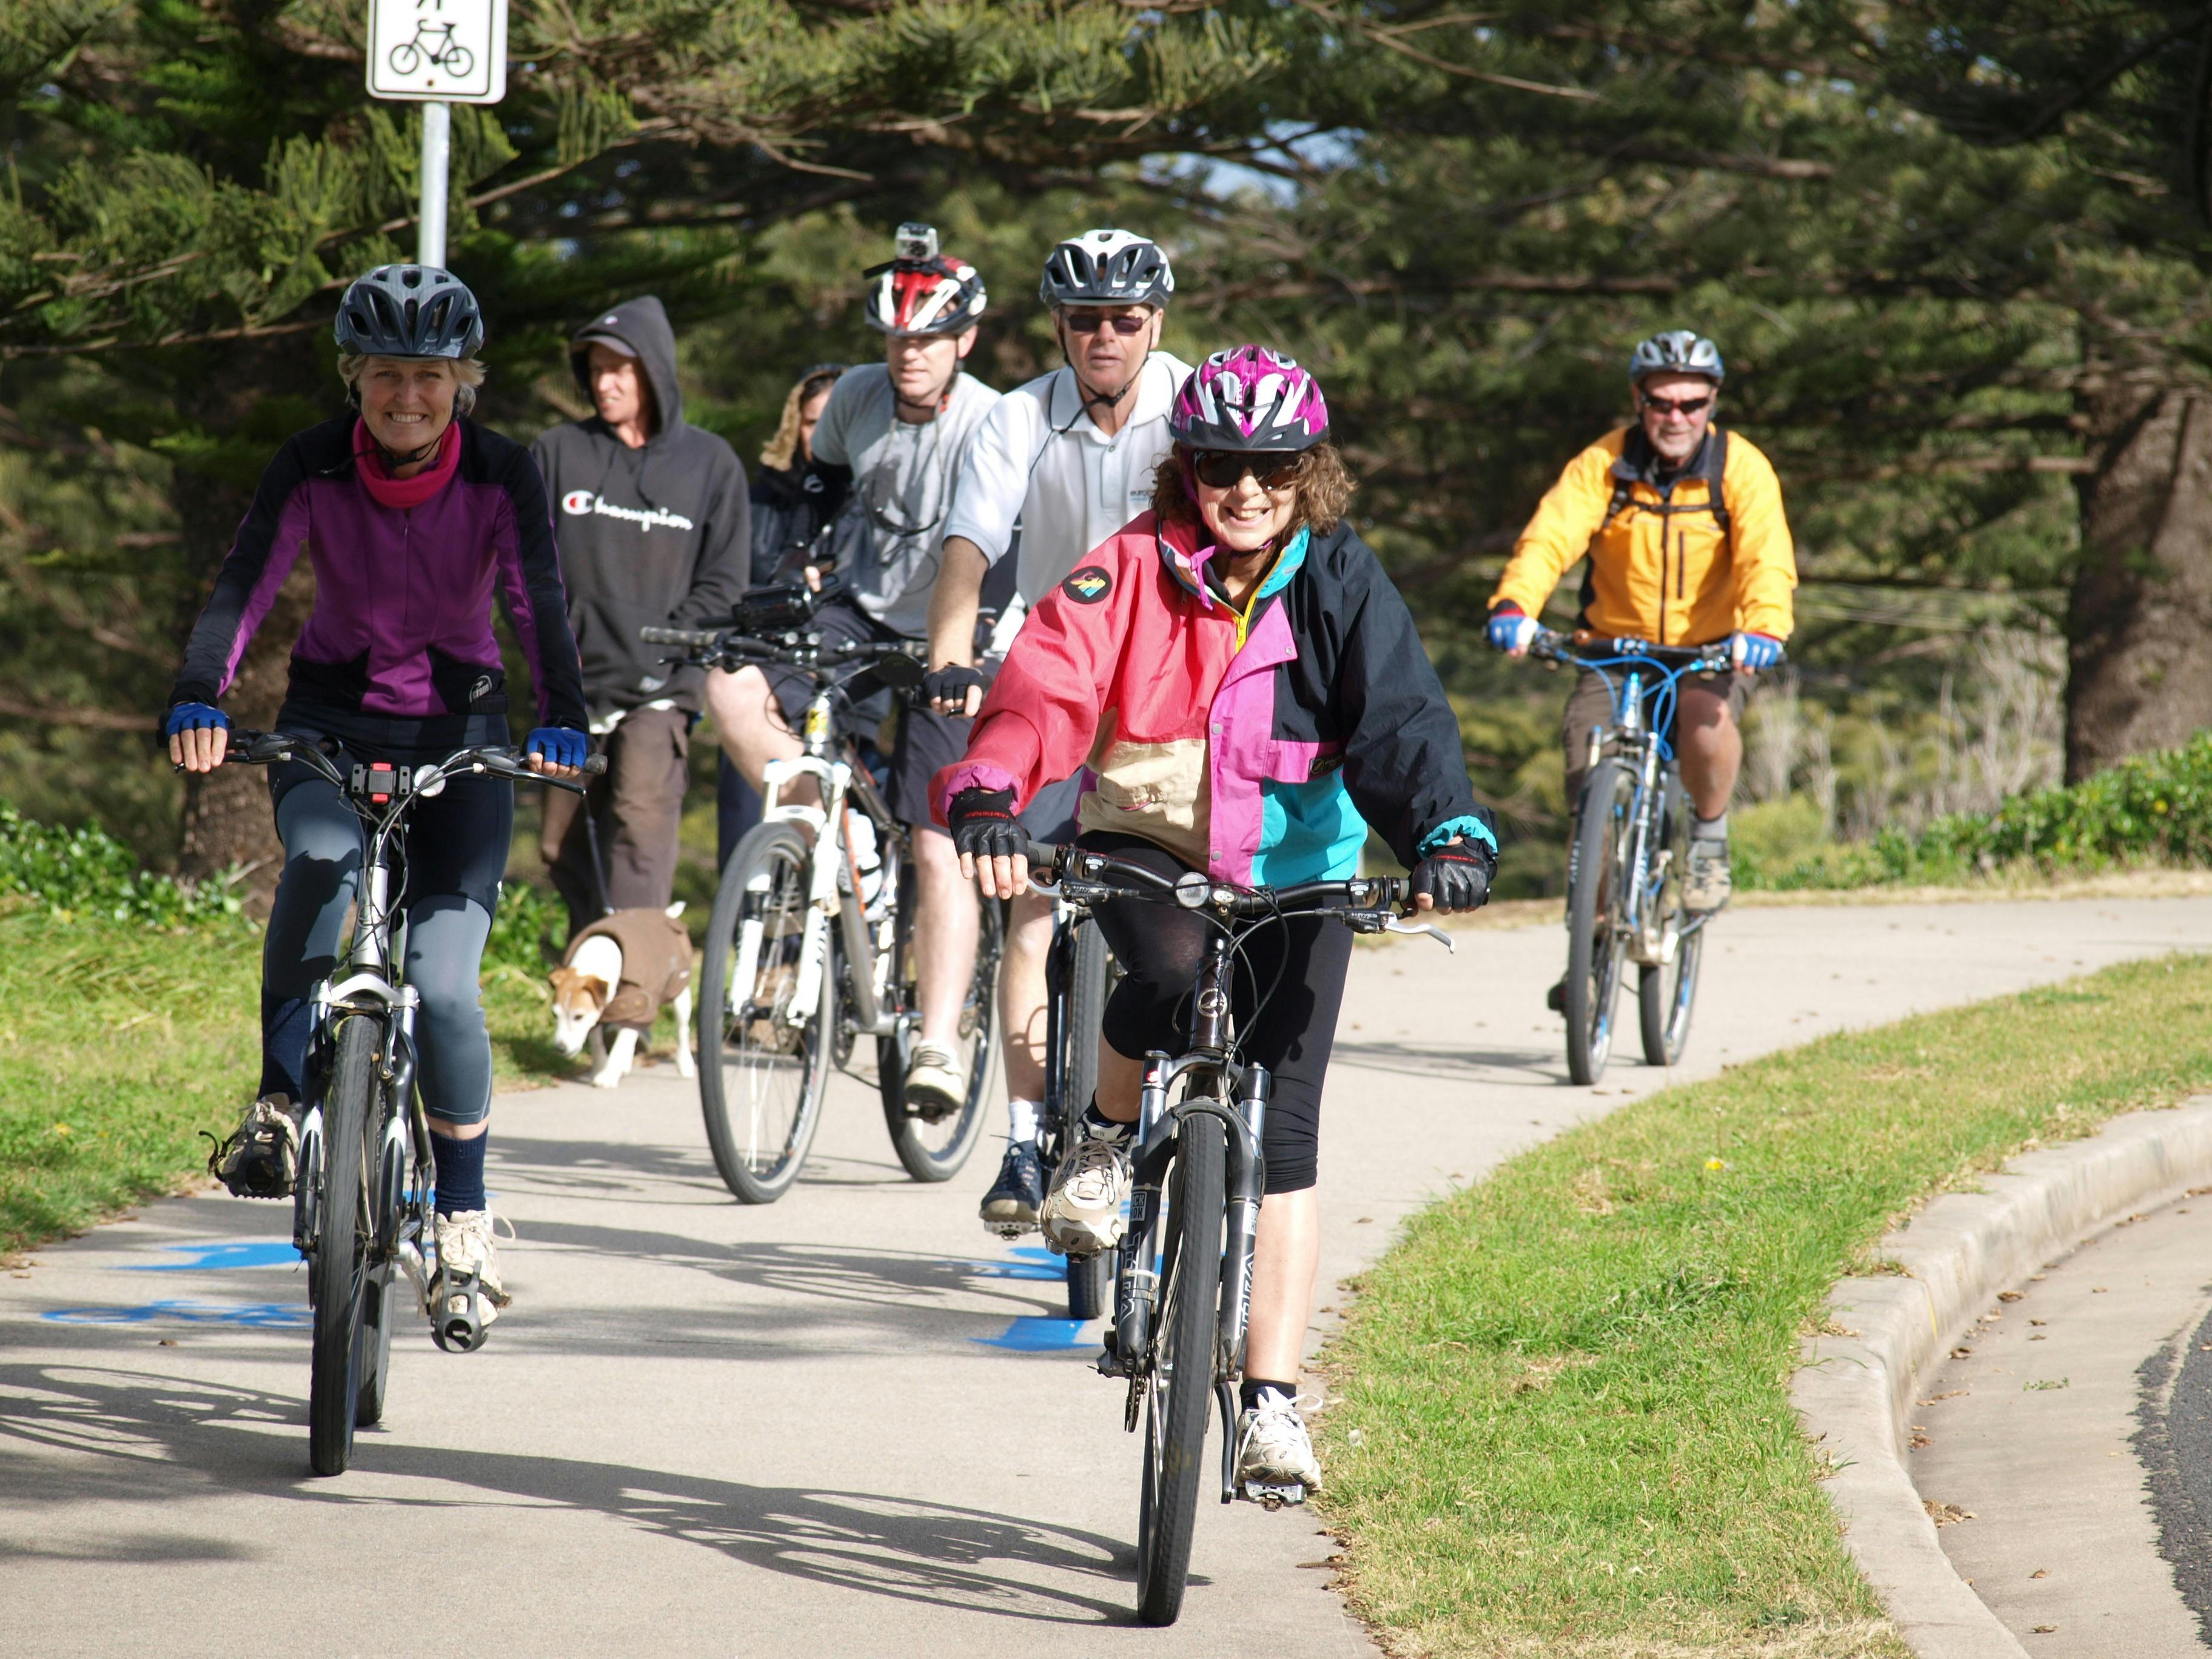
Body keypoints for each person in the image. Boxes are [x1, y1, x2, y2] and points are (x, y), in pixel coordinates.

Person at [936, 346, 1495, 1495]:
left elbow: (1399, 720)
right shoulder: (1129, 567)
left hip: (1298, 874)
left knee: (1285, 1141)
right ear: (1186, 469)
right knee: (1162, 974)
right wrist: (991, 788)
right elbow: (1048, 686)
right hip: (1150, 845)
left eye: (1274, 467)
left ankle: (1273, 1405)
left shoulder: (1338, 578)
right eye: (1223, 465)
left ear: (1308, 471)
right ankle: (1096, 1135)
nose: (1248, 489)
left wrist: (1445, 833)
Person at [167, 264, 589, 1330]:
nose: (410, 395)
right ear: (355, 378)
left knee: (444, 987)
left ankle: (463, 1219)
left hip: (462, 743)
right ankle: (275, 1100)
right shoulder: (310, 464)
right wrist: (196, 693)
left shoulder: (501, 473)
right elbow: (244, 582)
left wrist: (562, 713)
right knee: (319, 863)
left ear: (464, 382)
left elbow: (537, 599)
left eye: (432, 376)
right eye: (389, 374)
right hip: (329, 728)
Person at [920, 227, 1192, 1233]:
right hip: (1054, 678)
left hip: (1169, 692)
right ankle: (1026, 1137)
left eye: (1125, 320)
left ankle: (1165, 1114)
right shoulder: (1016, 418)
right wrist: (950, 657)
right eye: (1085, 321)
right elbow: (968, 545)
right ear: (1059, 327)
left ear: (1154, 323)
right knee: (1029, 906)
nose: (1105, 337)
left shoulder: (1188, 406)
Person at [702, 225, 997, 1114]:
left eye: (929, 339)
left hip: (956, 626)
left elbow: (1005, 544)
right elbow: (822, 485)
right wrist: (801, 566)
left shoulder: (990, 421)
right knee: (731, 683)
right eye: (898, 337)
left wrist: (977, 651)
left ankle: (938, 1044)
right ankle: (834, 827)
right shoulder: (859, 397)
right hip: (859, 610)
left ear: (964, 342)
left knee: (942, 839)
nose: (909, 354)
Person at [1486, 329, 1795, 920]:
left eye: (1691, 404)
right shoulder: (1603, 465)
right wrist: (1513, 606)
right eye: (1662, 402)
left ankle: (1707, 838)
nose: (1676, 417)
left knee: (1705, 717)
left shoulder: (1742, 470)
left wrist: (1764, 628)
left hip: (1711, 652)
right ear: (1639, 400)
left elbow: (1767, 560)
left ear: (1713, 404)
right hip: (1611, 650)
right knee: (1586, 773)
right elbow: (1549, 538)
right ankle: (1596, 945)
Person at [531, 296, 751, 935]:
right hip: (571, 688)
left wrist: (663, 652)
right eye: (596, 370)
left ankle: (631, 1008)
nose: (605, 384)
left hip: (662, 686)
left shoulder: (710, 464)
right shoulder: (558, 452)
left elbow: (725, 582)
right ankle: (594, 983)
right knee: (559, 847)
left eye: (620, 370)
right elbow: (522, 566)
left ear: (654, 370)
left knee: (639, 826)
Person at [718, 361, 848, 869]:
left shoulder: (872, 500)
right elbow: (736, 583)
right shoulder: (761, 498)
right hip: (767, 662)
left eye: (836, 419)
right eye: (814, 421)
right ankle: (751, 926)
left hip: (839, 669)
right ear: (796, 425)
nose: (824, 433)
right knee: (745, 812)